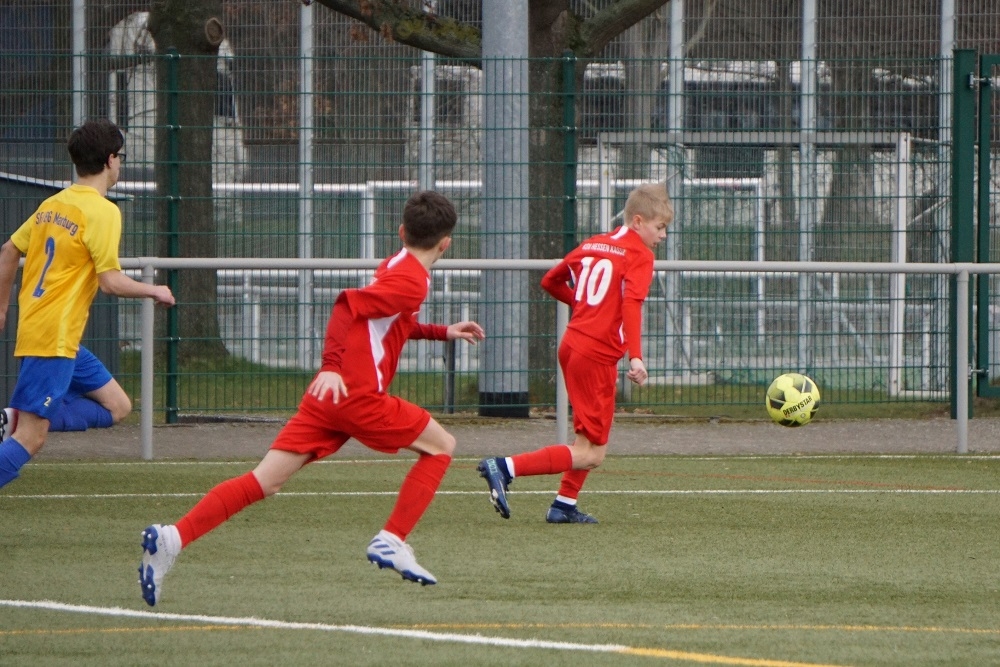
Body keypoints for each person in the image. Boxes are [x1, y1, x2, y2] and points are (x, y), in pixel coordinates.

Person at [138, 190, 485, 606]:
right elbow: (347, 307)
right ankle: (392, 538)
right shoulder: (411, 281)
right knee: (442, 446)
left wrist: (441, 331)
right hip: (355, 394)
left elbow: (389, 321)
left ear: (401, 232)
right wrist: (332, 366)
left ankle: (171, 538)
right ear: (446, 244)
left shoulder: (397, 265)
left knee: (265, 481)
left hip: (329, 398)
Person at [477, 183, 672, 523]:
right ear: (638, 222)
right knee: (591, 453)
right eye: (660, 227)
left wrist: (583, 307)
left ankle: (564, 505)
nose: (663, 235)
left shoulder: (593, 244)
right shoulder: (640, 255)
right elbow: (631, 304)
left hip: (574, 344)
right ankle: (505, 467)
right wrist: (636, 356)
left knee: (590, 440)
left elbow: (550, 281)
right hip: (595, 353)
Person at [0, 119, 175, 490]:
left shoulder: (52, 205)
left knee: (118, 406)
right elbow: (110, 281)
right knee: (31, 438)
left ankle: (15, 417)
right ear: (110, 160)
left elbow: (8, 250)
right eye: (120, 157)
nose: (120, 164)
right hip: (55, 336)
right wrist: (154, 290)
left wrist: (1, 309)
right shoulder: (102, 211)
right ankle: (20, 421)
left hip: (53, 333)